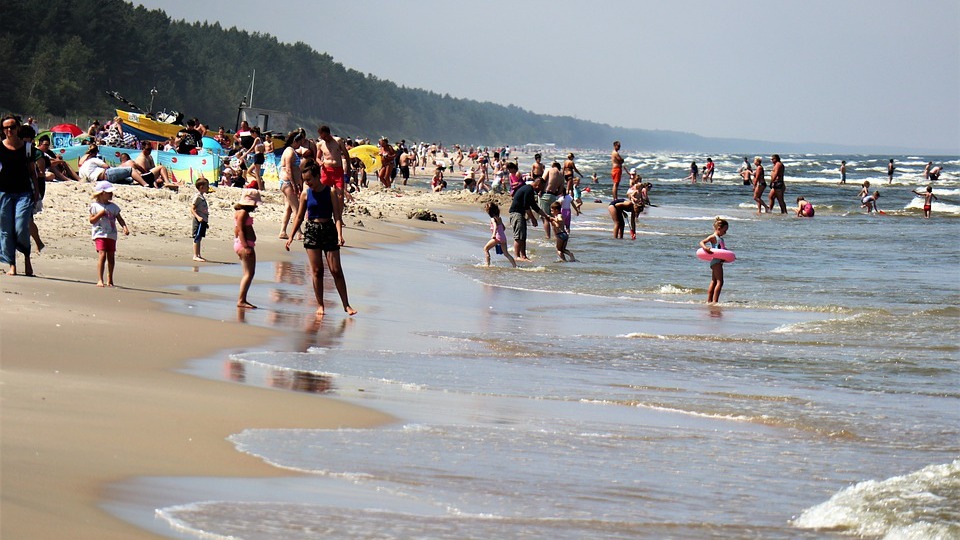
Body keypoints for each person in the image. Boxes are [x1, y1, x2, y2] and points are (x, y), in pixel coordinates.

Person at [285, 159, 357, 316]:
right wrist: (291, 236)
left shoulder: (330, 192)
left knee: (336, 270)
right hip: (312, 231)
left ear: (318, 176)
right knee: (317, 271)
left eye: (309, 180)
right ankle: (320, 305)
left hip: (329, 230)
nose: (307, 183)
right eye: (305, 180)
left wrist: (340, 234)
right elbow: (299, 217)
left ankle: (346, 305)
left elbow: (337, 216)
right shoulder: (305, 194)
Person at [0, 115, 41, 276]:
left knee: (21, 226)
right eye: (6, 128)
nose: (9, 130)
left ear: (18, 128)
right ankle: (12, 264)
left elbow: (32, 172)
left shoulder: (27, 148)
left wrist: (36, 191)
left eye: (12, 127)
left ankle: (26, 257)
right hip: (3, 193)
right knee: (5, 230)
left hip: (24, 192)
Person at [89, 181, 130, 287]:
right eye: (109, 193)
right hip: (100, 234)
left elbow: (120, 219)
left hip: (111, 234)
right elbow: (91, 220)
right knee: (102, 254)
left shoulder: (113, 207)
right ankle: (100, 279)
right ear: (102, 193)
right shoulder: (95, 206)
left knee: (111, 256)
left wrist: (124, 227)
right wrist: (100, 214)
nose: (111, 194)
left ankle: (110, 278)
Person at [509, 176, 549, 262]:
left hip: (520, 214)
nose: (541, 189)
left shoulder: (530, 190)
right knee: (519, 236)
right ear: (538, 185)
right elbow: (526, 206)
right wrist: (533, 219)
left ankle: (523, 256)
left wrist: (546, 216)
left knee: (523, 236)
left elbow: (534, 206)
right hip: (516, 214)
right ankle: (516, 256)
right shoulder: (528, 190)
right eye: (542, 187)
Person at [234, 188, 260, 309]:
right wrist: (246, 246)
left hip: (241, 243)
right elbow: (240, 230)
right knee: (249, 273)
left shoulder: (239, 212)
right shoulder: (243, 213)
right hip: (245, 244)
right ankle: (241, 300)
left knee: (247, 273)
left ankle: (242, 299)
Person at [78, 144, 148, 186]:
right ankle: (145, 184)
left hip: (101, 180)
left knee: (128, 180)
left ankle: (138, 180)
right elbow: (106, 166)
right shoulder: (93, 159)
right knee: (130, 170)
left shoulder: (82, 168)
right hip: (106, 174)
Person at [278, 129, 305, 240]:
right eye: (300, 142)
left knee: (288, 208)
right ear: (295, 141)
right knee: (296, 209)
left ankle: (283, 231)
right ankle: (299, 232)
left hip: (287, 182)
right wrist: (294, 184)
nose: (300, 144)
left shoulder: (290, 151)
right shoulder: (289, 152)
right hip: (288, 182)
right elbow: (288, 169)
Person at [698, 217, 729, 303]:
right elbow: (702, 242)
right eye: (724, 230)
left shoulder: (721, 239)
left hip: (718, 262)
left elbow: (721, 249)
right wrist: (706, 248)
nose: (725, 233)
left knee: (714, 281)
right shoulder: (713, 237)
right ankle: (715, 301)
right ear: (719, 228)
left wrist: (728, 256)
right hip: (716, 262)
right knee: (720, 282)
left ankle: (709, 301)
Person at [482, 202, 516, 268]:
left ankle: (487, 265)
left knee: (486, 249)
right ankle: (515, 266)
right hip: (503, 237)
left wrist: (494, 234)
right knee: (506, 254)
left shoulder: (492, 219)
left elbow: (495, 226)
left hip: (497, 237)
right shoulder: (499, 218)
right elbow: (503, 228)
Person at [540, 162, 564, 239]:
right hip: (553, 196)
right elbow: (560, 190)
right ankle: (557, 235)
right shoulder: (561, 175)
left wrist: (539, 191)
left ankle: (548, 236)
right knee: (553, 217)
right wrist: (555, 193)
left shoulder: (549, 170)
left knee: (545, 217)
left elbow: (542, 180)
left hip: (545, 194)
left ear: (553, 166)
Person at [190, 178, 210, 261]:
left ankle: (198, 254)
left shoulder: (202, 197)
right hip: (198, 220)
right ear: (202, 187)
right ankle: (195, 255)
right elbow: (192, 209)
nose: (208, 188)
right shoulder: (197, 197)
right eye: (207, 186)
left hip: (203, 220)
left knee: (200, 237)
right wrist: (198, 217)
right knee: (197, 237)